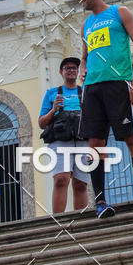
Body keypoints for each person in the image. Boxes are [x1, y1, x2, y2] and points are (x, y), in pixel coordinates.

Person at [76, 0, 133, 217]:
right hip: (92, 89)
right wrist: (82, 66)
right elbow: (84, 55)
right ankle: (100, 203)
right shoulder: (85, 25)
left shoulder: (119, 12)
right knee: (95, 145)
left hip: (119, 85)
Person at [39, 57, 89, 213]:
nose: (71, 70)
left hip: (82, 140)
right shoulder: (52, 93)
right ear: (61, 72)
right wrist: (53, 110)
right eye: (67, 68)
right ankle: (59, 220)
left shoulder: (85, 92)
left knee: (81, 183)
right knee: (61, 179)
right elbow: (42, 123)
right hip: (60, 140)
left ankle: (81, 221)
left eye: (74, 68)